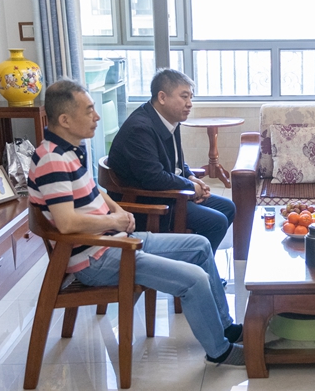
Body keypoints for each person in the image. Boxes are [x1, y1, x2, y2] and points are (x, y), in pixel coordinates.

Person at [28, 79, 244, 367]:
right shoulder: (52, 161)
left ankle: (226, 327)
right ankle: (219, 351)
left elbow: (95, 192)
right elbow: (66, 224)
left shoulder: (68, 151)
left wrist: (118, 211)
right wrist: (114, 220)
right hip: (97, 257)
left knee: (200, 246)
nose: (97, 116)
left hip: (113, 242)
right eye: (89, 110)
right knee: (194, 279)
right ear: (65, 120)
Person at [107, 69, 235, 253]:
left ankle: (197, 259)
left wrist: (191, 177)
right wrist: (191, 188)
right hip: (150, 205)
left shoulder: (168, 119)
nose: (189, 103)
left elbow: (175, 162)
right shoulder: (139, 129)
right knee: (217, 222)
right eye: (184, 97)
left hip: (170, 194)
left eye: (191, 97)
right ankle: (195, 263)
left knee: (228, 207)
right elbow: (153, 178)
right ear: (162, 97)